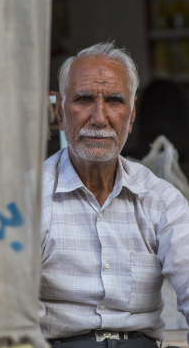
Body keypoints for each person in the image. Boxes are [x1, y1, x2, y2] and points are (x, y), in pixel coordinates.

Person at [39, 42, 189, 347]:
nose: (99, 117)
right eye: (83, 99)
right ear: (61, 113)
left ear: (131, 116)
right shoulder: (29, 198)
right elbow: (11, 317)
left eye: (114, 101)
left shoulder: (161, 199)